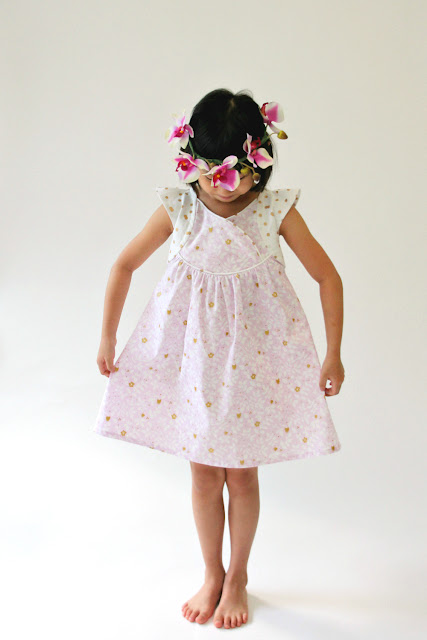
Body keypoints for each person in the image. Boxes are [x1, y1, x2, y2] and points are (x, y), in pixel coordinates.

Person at [93, 88, 345, 630]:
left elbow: (328, 276)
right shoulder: (180, 209)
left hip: (253, 369)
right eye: (209, 173)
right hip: (193, 367)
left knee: (243, 477)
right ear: (191, 162)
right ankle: (212, 572)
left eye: (235, 174)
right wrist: (108, 337)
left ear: (261, 163)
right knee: (205, 476)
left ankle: (239, 576)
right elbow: (123, 265)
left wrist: (333, 354)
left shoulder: (276, 210)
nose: (222, 186)